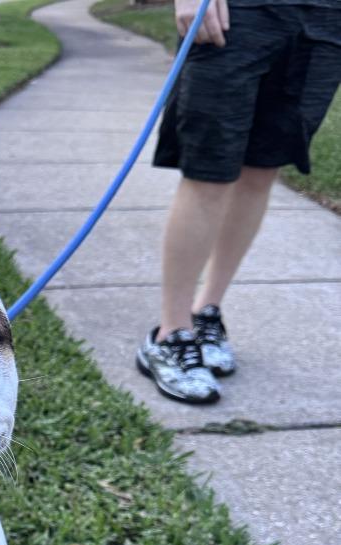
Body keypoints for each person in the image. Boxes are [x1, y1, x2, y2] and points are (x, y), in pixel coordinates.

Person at [136, 0, 341, 404]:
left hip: (325, 15)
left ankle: (207, 311)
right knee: (209, 171)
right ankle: (171, 332)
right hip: (238, 11)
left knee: (262, 169)